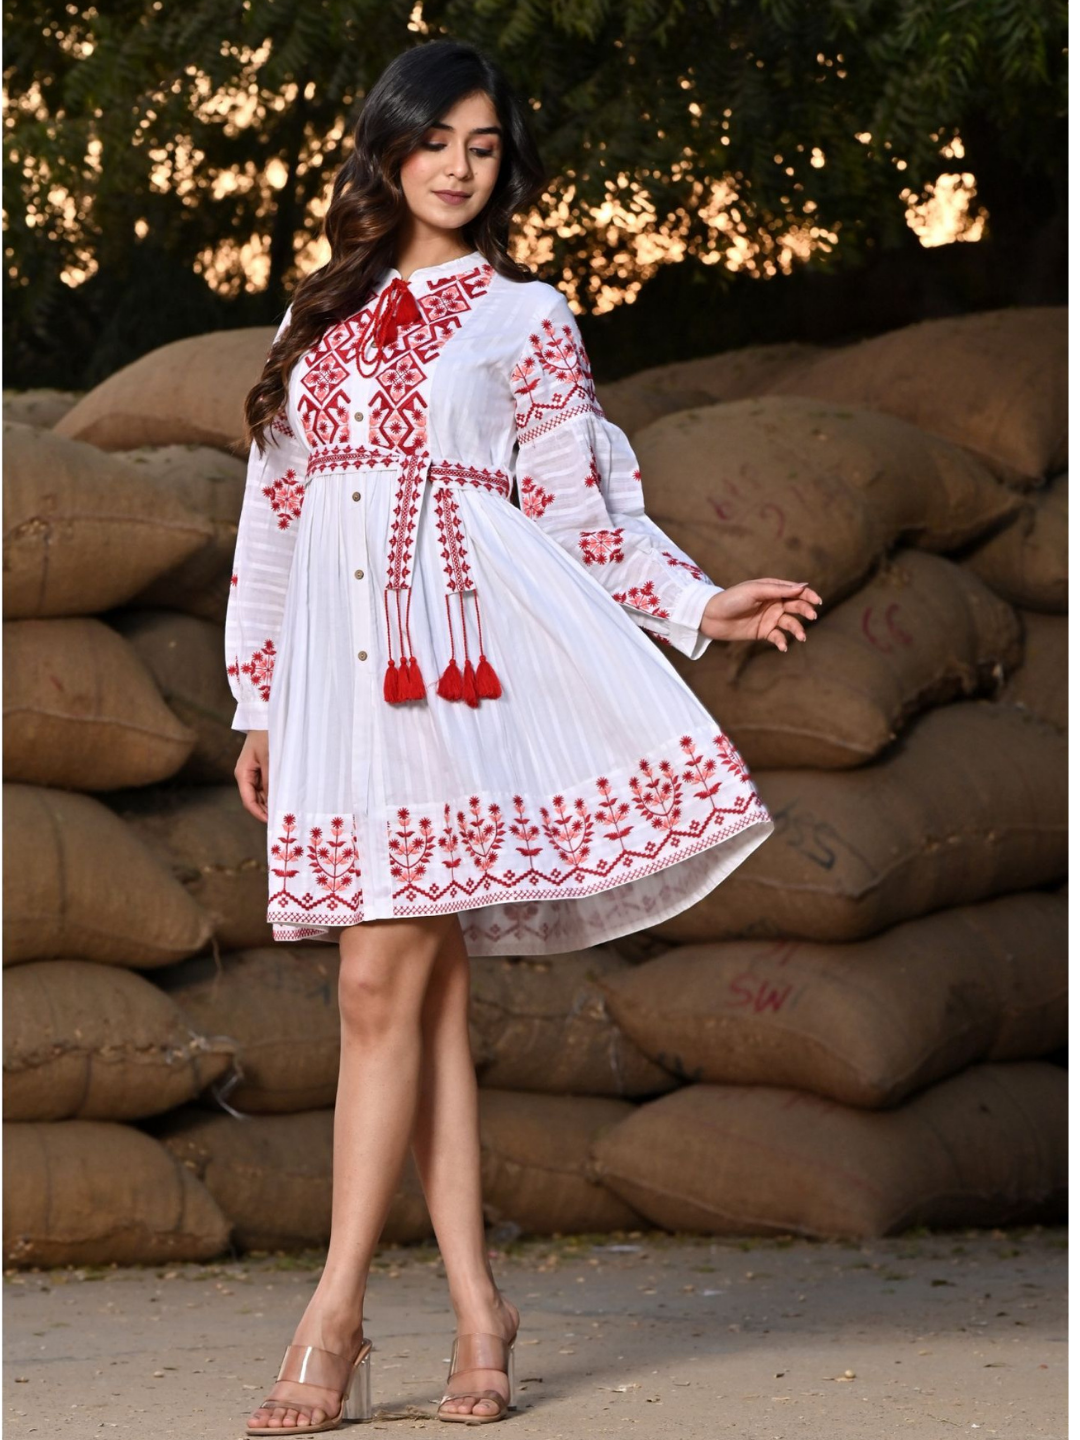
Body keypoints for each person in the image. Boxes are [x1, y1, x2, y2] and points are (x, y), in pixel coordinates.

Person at [227, 37, 820, 1434]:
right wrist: (258, 699)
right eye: (437, 138)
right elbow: (271, 523)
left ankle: (336, 1314)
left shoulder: (525, 316)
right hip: (339, 679)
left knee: (378, 983)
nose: (458, 165)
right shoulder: (308, 320)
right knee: (413, 997)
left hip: (460, 676)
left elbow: (581, 499)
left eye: (486, 147)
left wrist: (693, 601)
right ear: (387, 145)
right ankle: (482, 1307)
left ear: (503, 169)